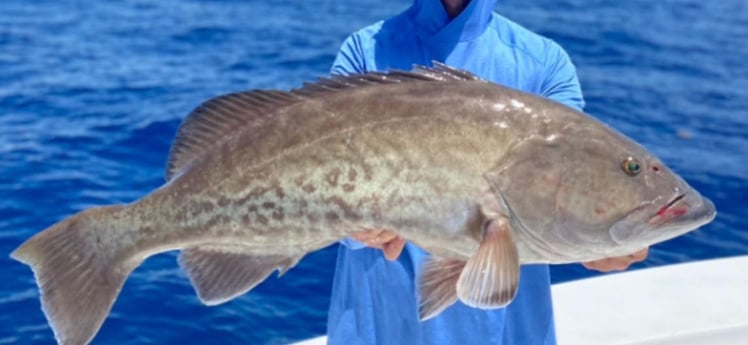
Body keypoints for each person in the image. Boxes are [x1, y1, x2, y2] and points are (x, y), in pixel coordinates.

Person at [327, 0, 649, 344]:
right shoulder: (364, 51)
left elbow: (565, 192)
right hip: (384, 319)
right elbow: (322, 185)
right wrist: (354, 228)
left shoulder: (544, 65)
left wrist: (603, 240)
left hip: (507, 327)